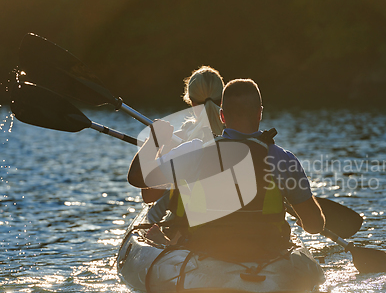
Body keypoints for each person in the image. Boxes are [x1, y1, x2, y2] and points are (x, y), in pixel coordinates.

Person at [128, 79, 325, 261]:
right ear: (260, 113)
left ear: (222, 115)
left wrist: (154, 139)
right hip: (267, 255)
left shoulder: (196, 151)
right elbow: (315, 226)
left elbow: (138, 176)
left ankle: (166, 241)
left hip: (207, 255)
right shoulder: (285, 160)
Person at [139, 66, 225, 203]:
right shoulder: (238, 134)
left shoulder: (178, 139)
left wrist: (156, 144)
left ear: (191, 101)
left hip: (190, 218)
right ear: (222, 100)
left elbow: (149, 197)